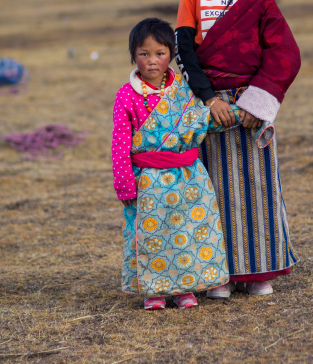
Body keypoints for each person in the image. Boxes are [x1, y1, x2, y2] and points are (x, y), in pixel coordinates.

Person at [175, 0, 301, 298]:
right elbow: (185, 53)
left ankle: (259, 272)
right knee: (212, 190)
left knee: (257, 188)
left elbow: (284, 52)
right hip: (210, 108)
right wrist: (210, 100)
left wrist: (256, 104)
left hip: (251, 107)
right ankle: (220, 275)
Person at [111, 17, 272, 310]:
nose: (152, 61)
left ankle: (187, 289)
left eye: (160, 53)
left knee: (187, 233)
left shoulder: (184, 92)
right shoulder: (127, 95)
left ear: (171, 55)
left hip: (189, 177)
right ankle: (154, 292)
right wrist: (125, 185)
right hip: (148, 179)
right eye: (143, 54)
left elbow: (205, 120)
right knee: (153, 237)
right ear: (133, 55)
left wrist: (247, 114)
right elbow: (120, 144)